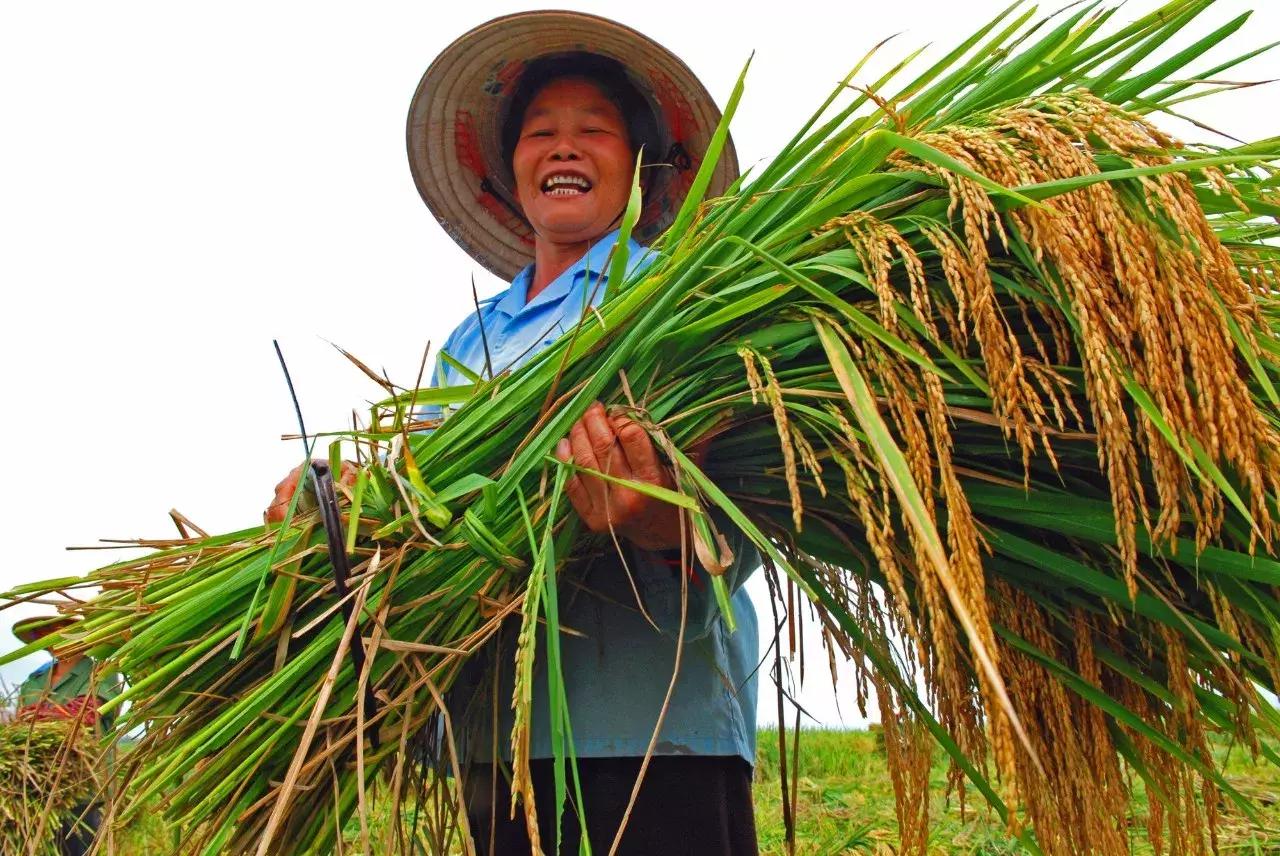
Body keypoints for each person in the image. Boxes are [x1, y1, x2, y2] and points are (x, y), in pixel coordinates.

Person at [269, 11, 760, 854]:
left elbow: (745, 524)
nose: (563, 149)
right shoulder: (470, 342)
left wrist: (648, 508)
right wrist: (343, 512)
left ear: (642, 167)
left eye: (593, 131)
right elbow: (416, 516)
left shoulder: (686, 301)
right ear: (511, 171)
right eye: (541, 133)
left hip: (651, 736)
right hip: (496, 738)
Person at [13, 613, 121, 856]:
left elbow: (86, 714)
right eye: (49, 634)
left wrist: (39, 715)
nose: (58, 639)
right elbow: (21, 725)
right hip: (34, 787)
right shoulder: (33, 682)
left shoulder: (101, 673)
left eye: (65, 631)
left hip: (80, 787)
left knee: (74, 848)